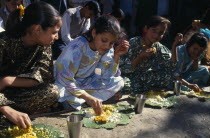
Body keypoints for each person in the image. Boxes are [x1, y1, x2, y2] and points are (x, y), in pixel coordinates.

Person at [0, 2, 62, 129]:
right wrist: (5, 108)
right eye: (54, 32)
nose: (57, 37)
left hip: (14, 92)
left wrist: (7, 81)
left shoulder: (45, 45)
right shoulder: (3, 43)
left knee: (52, 92)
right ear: (37, 29)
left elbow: (43, 76)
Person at [54, 15, 130, 115]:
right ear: (94, 33)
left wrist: (116, 56)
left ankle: (83, 101)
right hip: (66, 83)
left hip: (86, 83)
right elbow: (64, 79)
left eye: (111, 43)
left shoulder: (107, 49)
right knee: (58, 92)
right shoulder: (77, 47)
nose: (107, 46)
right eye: (104, 40)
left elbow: (106, 76)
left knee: (119, 81)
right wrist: (88, 98)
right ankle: (84, 101)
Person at [120, 16, 177, 93]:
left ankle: (143, 88)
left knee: (168, 77)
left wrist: (174, 46)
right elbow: (124, 69)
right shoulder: (133, 43)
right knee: (123, 84)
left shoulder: (158, 46)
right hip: (129, 76)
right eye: (154, 31)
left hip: (145, 78)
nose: (156, 35)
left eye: (161, 33)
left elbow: (171, 67)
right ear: (146, 29)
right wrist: (140, 57)